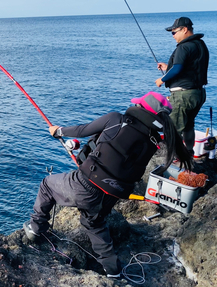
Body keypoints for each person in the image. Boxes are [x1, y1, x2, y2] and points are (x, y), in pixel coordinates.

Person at [23, 92, 192, 278]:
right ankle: (113, 270)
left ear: (142, 108)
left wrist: (59, 131)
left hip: (86, 185)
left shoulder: (117, 119)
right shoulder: (153, 141)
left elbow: (82, 130)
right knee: (94, 223)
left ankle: (36, 228)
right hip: (114, 193)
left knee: (47, 185)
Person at [155, 17, 209, 155]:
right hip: (198, 94)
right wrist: (168, 67)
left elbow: (178, 68)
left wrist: (162, 78)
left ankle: (171, 159)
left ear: (184, 30)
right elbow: (191, 68)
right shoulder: (200, 45)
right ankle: (189, 153)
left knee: (173, 129)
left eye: (174, 32)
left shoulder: (183, 47)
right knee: (188, 125)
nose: (173, 36)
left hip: (183, 96)